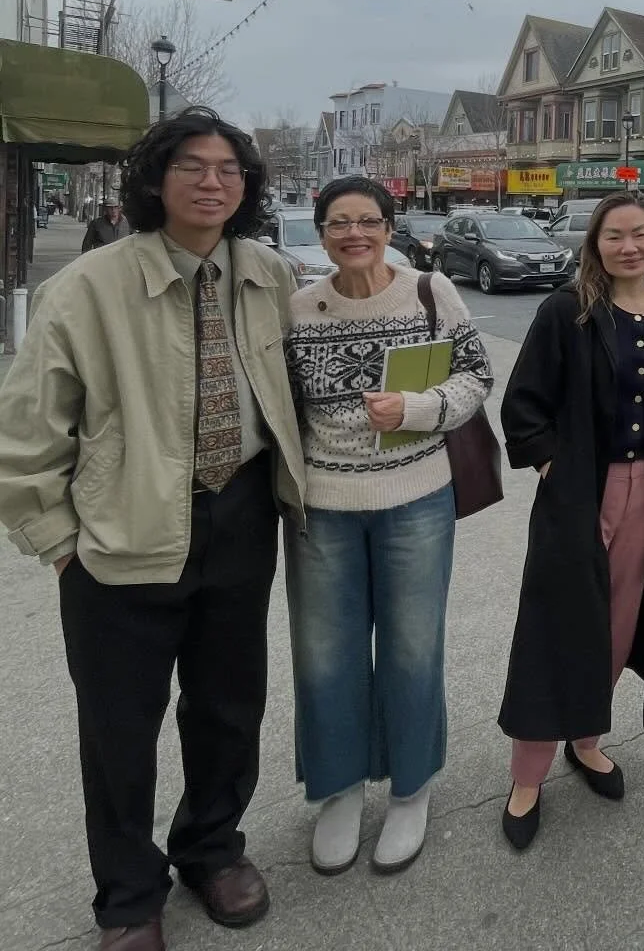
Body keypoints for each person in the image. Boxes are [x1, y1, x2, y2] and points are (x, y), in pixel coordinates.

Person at [0, 108, 306, 951]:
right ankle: (129, 895)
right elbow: (24, 438)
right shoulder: (86, 289)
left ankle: (212, 849)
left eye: (229, 171)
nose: (213, 184)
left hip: (240, 516)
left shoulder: (269, 275)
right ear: (154, 181)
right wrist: (60, 545)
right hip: (121, 532)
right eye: (192, 168)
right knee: (119, 728)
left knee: (228, 708)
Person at [283, 175, 492, 876]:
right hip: (324, 510)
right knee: (326, 657)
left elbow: (474, 378)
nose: (354, 233)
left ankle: (410, 788)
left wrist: (418, 408)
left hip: (416, 499)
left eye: (367, 220)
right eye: (338, 222)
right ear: (322, 232)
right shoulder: (297, 310)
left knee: (411, 648)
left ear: (389, 226)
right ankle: (338, 788)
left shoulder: (432, 292)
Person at [498, 192, 644, 849]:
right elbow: (523, 406)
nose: (628, 247)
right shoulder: (568, 312)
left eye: (639, 234)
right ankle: (527, 774)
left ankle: (586, 741)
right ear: (595, 244)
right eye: (614, 236)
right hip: (580, 492)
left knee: (618, 626)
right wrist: (556, 475)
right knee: (555, 626)